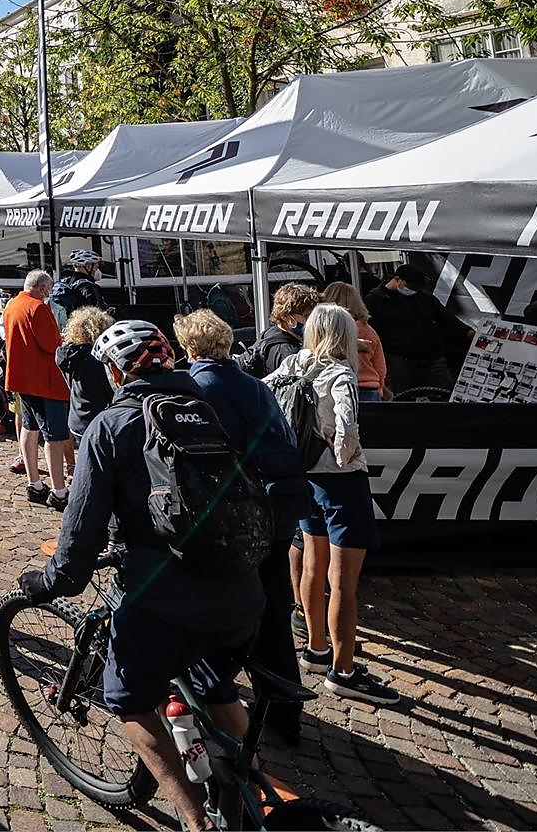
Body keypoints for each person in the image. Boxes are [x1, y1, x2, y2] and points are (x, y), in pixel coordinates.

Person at [19, 319, 264, 832]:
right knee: (215, 684)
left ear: (115, 373)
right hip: (242, 587)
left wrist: (49, 582)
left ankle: (194, 820)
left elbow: (80, 533)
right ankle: (256, 791)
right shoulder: (210, 408)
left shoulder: (112, 426)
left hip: (163, 598)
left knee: (128, 697)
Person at [178, 308, 313, 745]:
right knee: (274, 611)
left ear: (189, 347)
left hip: (242, 514)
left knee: (226, 609)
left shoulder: (196, 387)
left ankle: (216, 699)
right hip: (281, 504)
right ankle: (285, 713)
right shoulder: (254, 384)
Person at [271, 304, 398, 706]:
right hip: (342, 483)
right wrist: (346, 454)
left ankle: (316, 648)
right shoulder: (340, 373)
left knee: (312, 565)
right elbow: (346, 425)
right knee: (343, 581)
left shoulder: (296, 363)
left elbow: (265, 391)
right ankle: (343, 671)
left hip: (305, 475)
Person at [2, 269, 73, 508]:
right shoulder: (38, 308)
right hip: (45, 381)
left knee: (29, 428)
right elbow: (52, 344)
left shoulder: (12, 305)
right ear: (42, 289)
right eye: (49, 289)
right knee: (54, 435)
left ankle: (35, 484)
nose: (50, 293)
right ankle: (59, 491)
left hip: (22, 379)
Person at [367, 262, 468, 394]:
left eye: (416, 288)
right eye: (410, 286)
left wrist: (467, 331)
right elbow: (374, 333)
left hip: (431, 358)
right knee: (403, 397)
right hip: (399, 361)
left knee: (443, 394)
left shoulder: (423, 297)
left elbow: (445, 317)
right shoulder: (374, 301)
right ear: (397, 279)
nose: (413, 290)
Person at [319, 281, 389, 401]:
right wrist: (381, 387)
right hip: (369, 387)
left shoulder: (325, 331)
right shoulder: (367, 330)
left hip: (338, 386)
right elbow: (380, 366)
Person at [54, 306, 115, 439]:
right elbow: (110, 389)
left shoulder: (68, 354)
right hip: (97, 420)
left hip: (77, 417)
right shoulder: (95, 358)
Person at [237, 282, 320, 378]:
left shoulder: (270, 332)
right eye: (306, 315)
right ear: (286, 316)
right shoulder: (287, 353)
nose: (312, 320)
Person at [50, 248, 107, 322]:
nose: (97, 269)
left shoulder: (66, 282)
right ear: (88, 266)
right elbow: (97, 315)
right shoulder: (90, 287)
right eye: (96, 266)